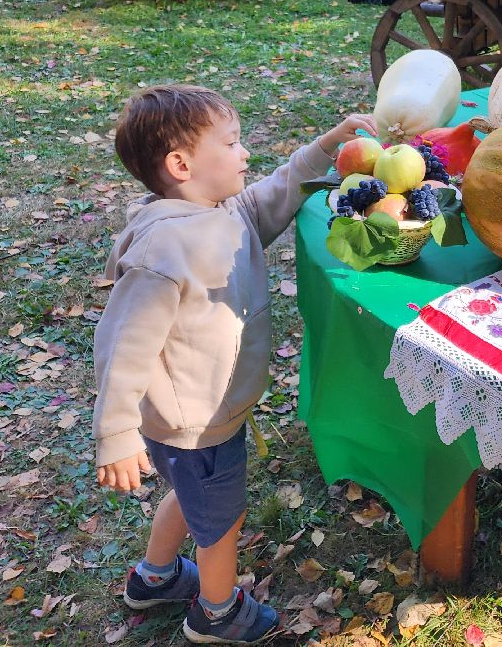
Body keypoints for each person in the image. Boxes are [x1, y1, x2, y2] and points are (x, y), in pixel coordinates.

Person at [95, 84, 375, 644]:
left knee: (189, 494)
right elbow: (121, 346)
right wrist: (116, 433)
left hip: (199, 417)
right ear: (181, 164)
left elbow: (278, 191)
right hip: (194, 421)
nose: (246, 154)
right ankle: (218, 613)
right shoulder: (164, 251)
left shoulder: (220, 211)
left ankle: (154, 578)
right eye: (232, 143)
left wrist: (327, 144)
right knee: (221, 523)